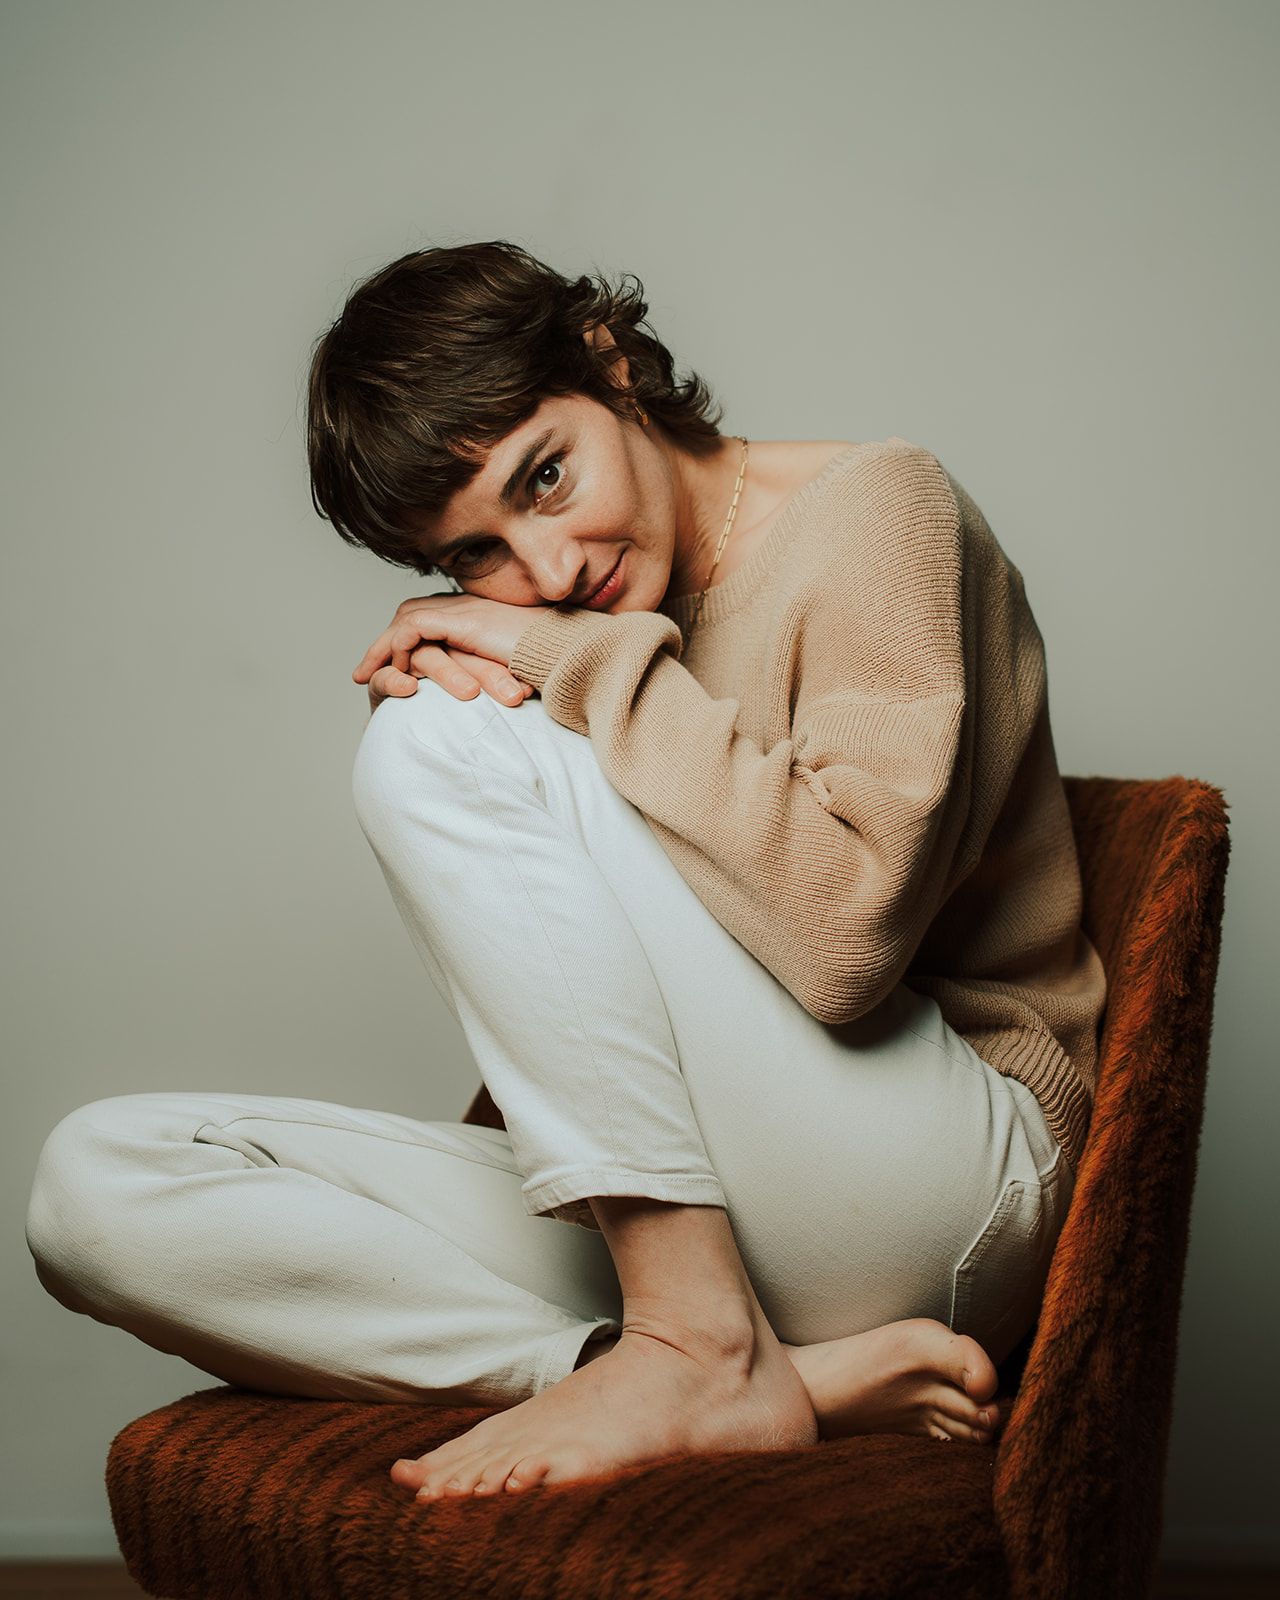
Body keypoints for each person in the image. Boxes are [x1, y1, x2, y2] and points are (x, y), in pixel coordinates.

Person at [25, 240, 1107, 1505]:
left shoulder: (876, 508)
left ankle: (696, 1344)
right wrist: (526, 694)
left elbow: (846, 934)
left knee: (430, 735)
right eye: (474, 556)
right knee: (95, 1187)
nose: (545, 572)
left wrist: (544, 672)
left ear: (609, 364)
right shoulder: (572, 615)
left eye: (544, 475)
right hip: (730, 1222)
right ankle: (735, 1375)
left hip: (950, 1179)